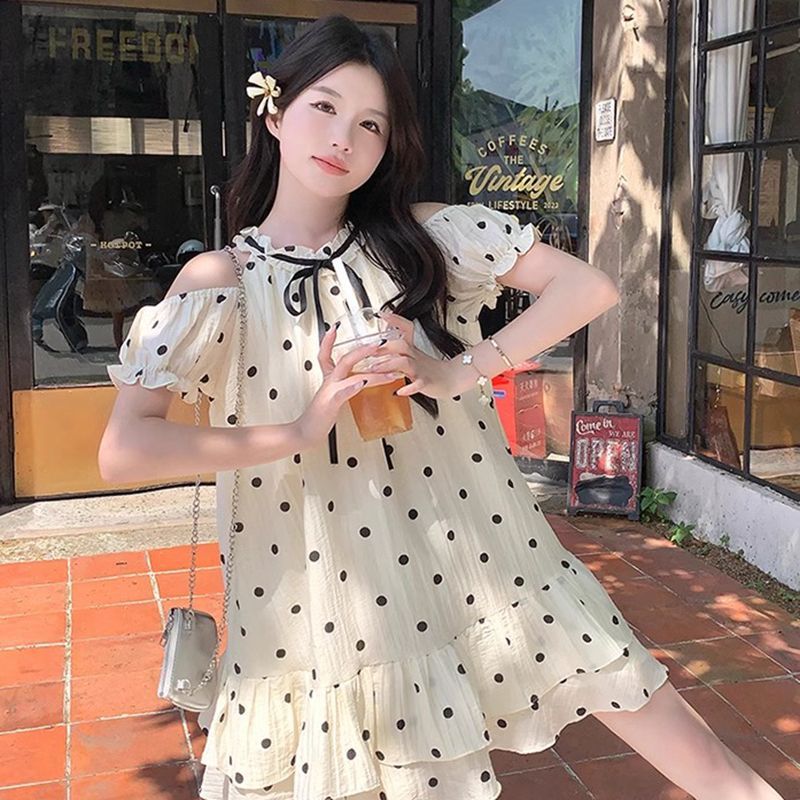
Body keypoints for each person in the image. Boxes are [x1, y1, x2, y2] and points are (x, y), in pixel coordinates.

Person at [98, 15, 784, 800]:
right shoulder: (221, 282)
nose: (342, 138)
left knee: (644, 704)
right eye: (324, 107)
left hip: (477, 554)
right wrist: (299, 427)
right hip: (315, 593)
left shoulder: (421, 239)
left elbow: (588, 287)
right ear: (275, 112)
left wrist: (457, 372)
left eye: (370, 124)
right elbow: (125, 449)